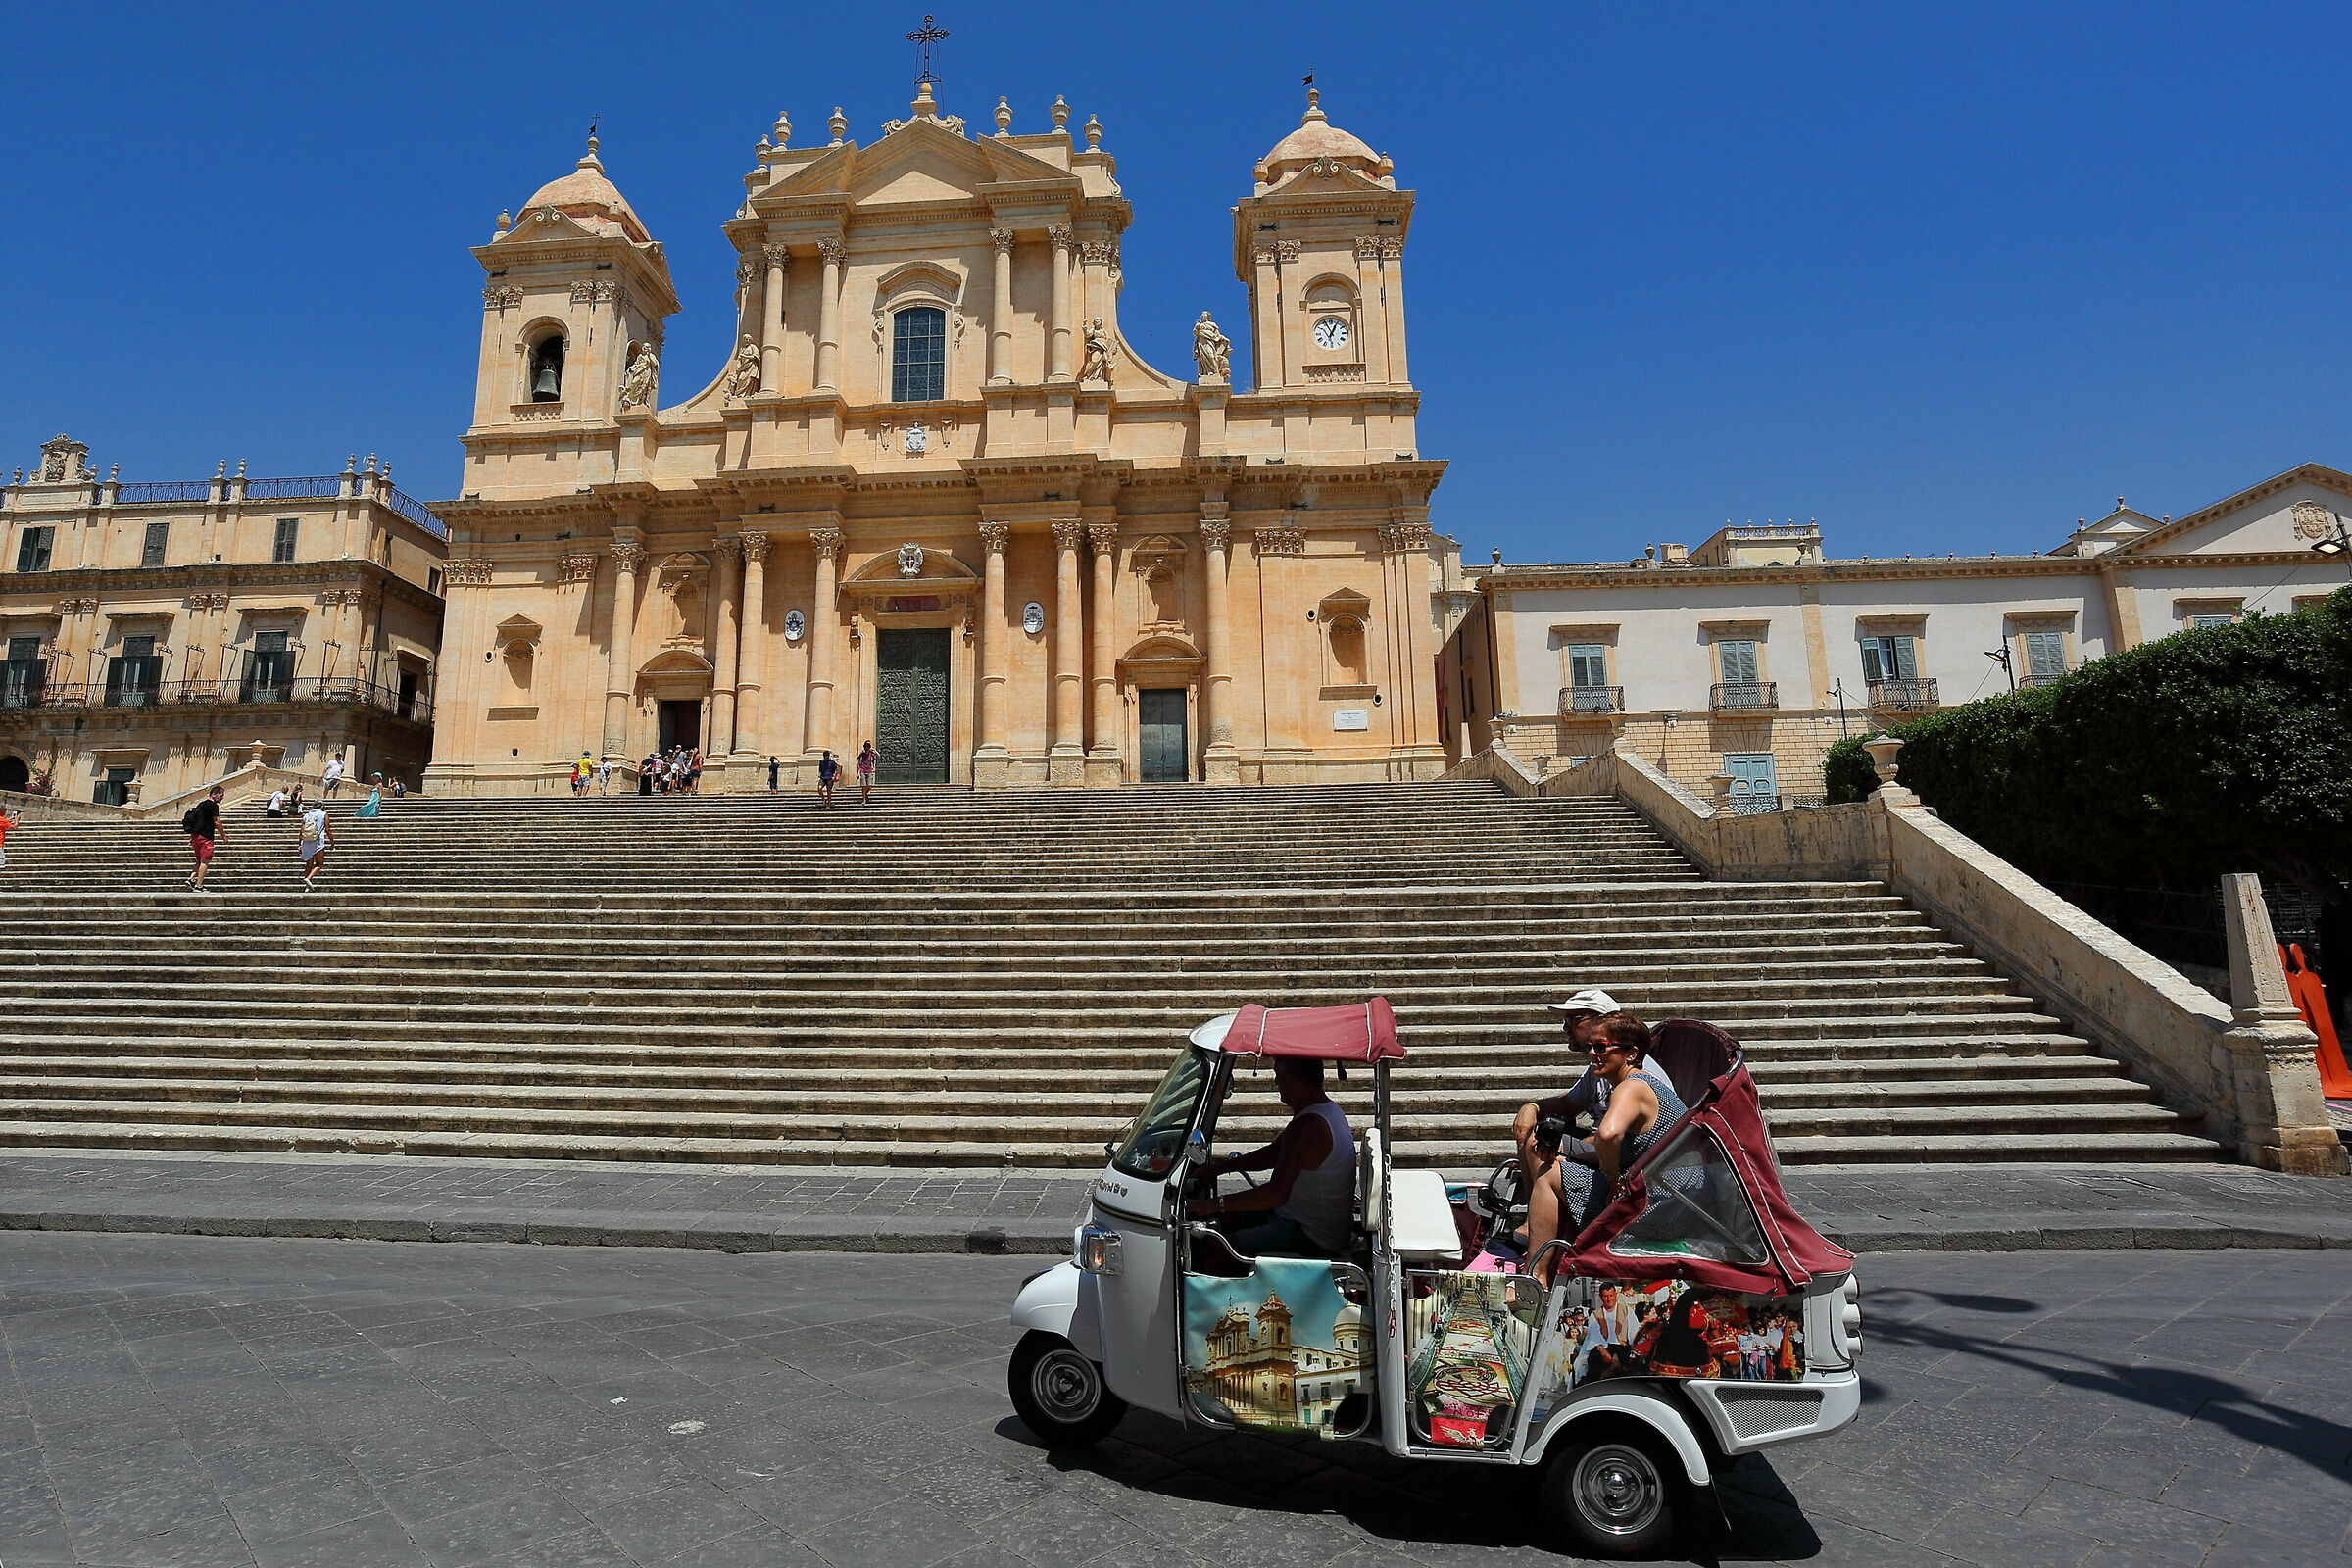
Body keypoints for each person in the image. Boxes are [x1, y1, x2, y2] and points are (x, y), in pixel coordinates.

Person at [1525, 1013, 1687, 1285]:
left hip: (1658, 1207)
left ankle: (1534, 1276)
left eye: (1601, 1047)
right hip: (1675, 1200)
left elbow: (1608, 1134)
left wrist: (1613, 1182)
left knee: (1549, 1174)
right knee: (1560, 1167)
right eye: (1590, 1046)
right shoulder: (1643, 1084)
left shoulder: (1631, 1087)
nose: (1592, 1053)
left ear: (1631, 1053)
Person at [1184, 1055, 1354, 1260]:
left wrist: (1211, 1204)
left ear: (1290, 1078)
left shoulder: (1308, 1126)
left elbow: (1275, 1194)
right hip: (1298, 1217)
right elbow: (1272, 1155)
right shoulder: (1325, 1112)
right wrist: (1217, 1169)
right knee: (1223, 1217)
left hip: (1311, 1235)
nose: (1275, 1082)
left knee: (1216, 1247)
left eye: (1277, 1075)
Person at [1511, 988, 1623, 1195]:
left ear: (1602, 1022)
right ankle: (1535, 1205)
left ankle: (1538, 1211)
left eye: (1573, 1019)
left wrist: (1580, 1143)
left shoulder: (1632, 1073)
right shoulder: (1598, 1067)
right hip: (1602, 1145)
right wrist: (1532, 1107)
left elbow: (1622, 1136)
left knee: (1539, 1144)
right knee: (1538, 1134)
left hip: (1623, 1157)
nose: (1565, 1028)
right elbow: (1567, 1103)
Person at [182, 785, 225, 891]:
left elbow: (196, 821)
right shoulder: (213, 805)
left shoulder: (201, 804)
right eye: (221, 795)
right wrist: (224, 836)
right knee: (205, 861)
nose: (222, 798)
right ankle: (199, 885)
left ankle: (191, 879)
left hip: (196, 836)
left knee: (199, 860)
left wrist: (192, 837)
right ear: (214, 794)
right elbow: (216, 822)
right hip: (206, 836)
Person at [297, 798, 333, 889]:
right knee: (319, 864)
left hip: (306, 841)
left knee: (308, 864)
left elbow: (301, 830)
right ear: (322, 806)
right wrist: (332, 842)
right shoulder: (323, 814)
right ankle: (308, 878)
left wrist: (299, 844)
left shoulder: (306, 815)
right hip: (317, 841)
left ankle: (306, 887)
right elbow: (328, 829)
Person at [0, 803, 18, 871]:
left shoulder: (2, 820)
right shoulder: (1, 819)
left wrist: (9, 820)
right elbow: (14, 827)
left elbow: (3, 824)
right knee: (1, 865)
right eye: (5, 810)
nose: (5, 811)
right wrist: (16, 820)